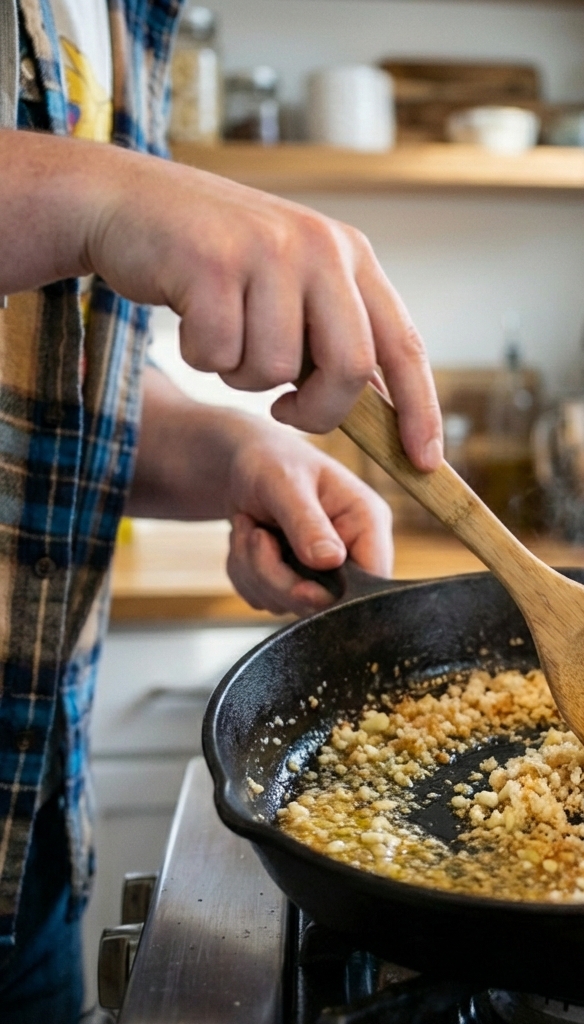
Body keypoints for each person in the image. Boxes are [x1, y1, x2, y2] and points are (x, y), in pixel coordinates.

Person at [0, 1, 442, 1018]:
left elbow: (42, 390)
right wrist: (100, 199)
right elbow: (89, 215)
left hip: (29, 836)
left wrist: (238, 451)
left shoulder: (130, 17)